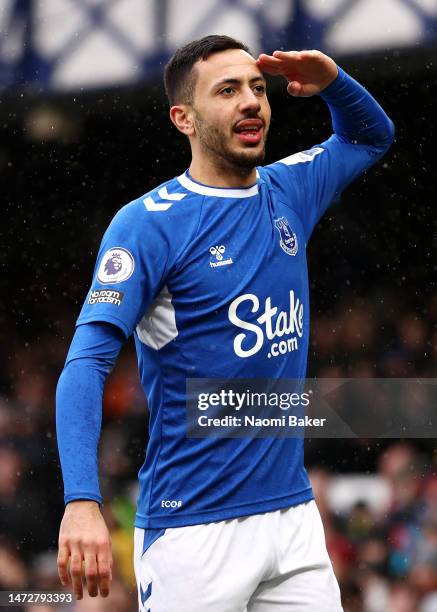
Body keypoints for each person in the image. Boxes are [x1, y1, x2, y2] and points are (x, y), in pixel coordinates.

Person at [56, 34, 394, 611]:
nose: (251, 102)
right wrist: (81, 500)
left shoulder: (288, 189)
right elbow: (86, 362)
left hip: (292, 520)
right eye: (228, 90)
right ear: (183, 118)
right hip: (194, 533)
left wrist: (334, 81)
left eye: (258, 89)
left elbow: (370, 135)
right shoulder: (147, 226)